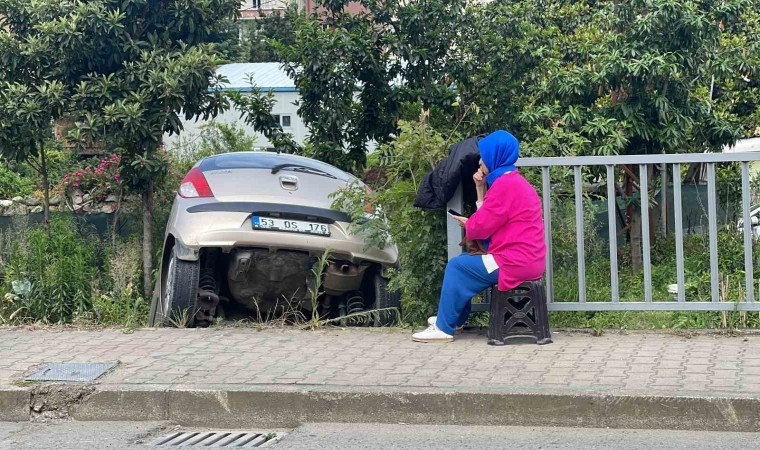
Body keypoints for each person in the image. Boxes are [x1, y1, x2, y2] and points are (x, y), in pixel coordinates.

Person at [412, 130, 546, 343]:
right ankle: (452, 321)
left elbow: (482, 226)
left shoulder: (504, 185)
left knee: (458, 266)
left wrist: (469, 224)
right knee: (464, 264)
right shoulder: (511, 181)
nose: (481, 161)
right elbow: (488, 219)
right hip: (524, 259)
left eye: (484, 156)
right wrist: (479, 189)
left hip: (513, 261)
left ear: (495, 156)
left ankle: (444, 329)